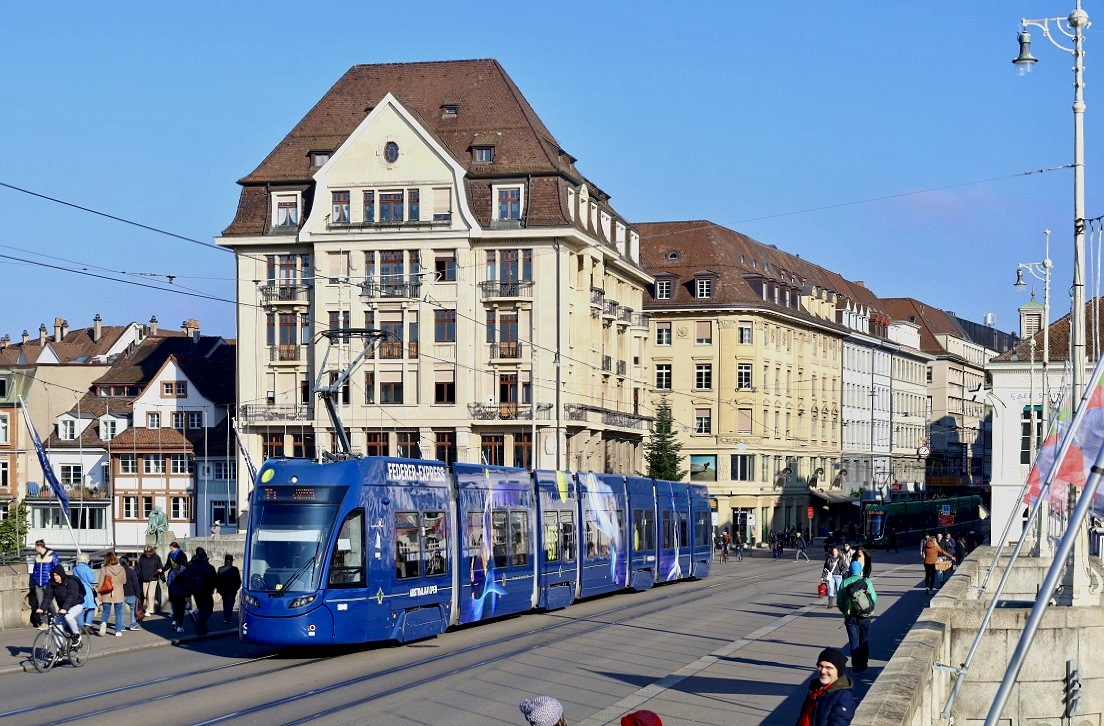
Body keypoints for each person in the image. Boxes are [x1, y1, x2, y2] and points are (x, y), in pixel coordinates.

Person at [795, 647, 855, 726]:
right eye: (820, 666)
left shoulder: (843, 697)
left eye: (828, 668)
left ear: (838, 671)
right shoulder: (816, 688)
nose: (823, 671)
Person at [837, 560, 876, 673]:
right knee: (864, 640)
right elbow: (874, 598)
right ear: (860, 571)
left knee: (854, 642)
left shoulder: (844, 583)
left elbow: (840, 601)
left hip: (850, 617)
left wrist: (846, 611)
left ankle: (856, 667)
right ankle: (864, 665)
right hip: (864, 617)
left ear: (850, 570)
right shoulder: (866, 581)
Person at [36, 566, 85, 647]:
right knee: (57, 629)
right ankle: (59, 652)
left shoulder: (71, 582)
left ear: (62, 575)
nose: (55, 577)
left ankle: (76, 635)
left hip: (76, 605)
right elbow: (48, 597)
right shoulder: (52, 583)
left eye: (57, 575)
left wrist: (65, 609)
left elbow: (71, 596)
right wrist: (42, 608)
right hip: (63, 608)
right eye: (54, 575)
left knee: (68, 617)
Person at [186, 547, 218, 636]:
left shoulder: (192, 567)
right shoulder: (209, 567)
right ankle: (200, 625)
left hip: (196, 592)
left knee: (201, 608)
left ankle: (202, 627)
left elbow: (187, 578)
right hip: (206, 592)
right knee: (208, 609)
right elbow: (214, 580)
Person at [97, 552, 127, 637]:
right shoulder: (121, 569)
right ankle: (118, 631)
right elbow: (124, 581)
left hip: (107, 593)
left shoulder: (104, 569)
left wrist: (99, 595)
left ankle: (103, 623)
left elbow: (100, 583)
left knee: (106, 611)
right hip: (118, 593)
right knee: (119, 613)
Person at [31, 540, 60, 629]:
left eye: (36, 547)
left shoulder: (52, 555)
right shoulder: (37, 557)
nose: (35, 549)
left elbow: (57, 568)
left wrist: (54, 580)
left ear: (39, 547)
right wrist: (35, 578)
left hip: (48, 582)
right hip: (38, 583)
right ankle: (45, 622)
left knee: (49, 603)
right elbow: (35, 569)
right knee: (41, 603)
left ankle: (56, 617)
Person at [166, 543, 190, 633]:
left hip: (174, 593)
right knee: (181, 610)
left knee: (176, 609)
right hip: (182, 593)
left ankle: (173, 621)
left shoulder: (172, 571)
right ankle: (180, 627)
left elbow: (168, 583)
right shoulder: (184, 570)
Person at [72, 553, 98, 635]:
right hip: (87, 590)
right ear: (85, 559)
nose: (89, 560)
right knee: (91, 607)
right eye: (88, 558)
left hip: (78, 590)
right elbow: (91, 580)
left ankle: (80, 626)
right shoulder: (87, 568)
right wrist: (93, 573)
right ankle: (87, 624)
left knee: (81, 609)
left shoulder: (75, 568)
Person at [137, 545, 164, 615]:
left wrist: (162, 576)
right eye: (146, 552)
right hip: (144, 579)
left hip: (153, 578)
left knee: (150, 594)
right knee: (145, 594)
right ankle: (146, 609)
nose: (147, 553)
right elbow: (139, 569)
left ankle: (150, 610)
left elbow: (160, 567)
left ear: (152, 551)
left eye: (149, 552)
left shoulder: (156, 558)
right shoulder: (142, 558)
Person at [217, 553, 242, 624]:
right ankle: (228, 619)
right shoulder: (234, 569)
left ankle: (226, 618)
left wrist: (220, 590)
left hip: (224, 590)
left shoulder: (220, 569)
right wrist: (236, 588)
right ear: (231, 561)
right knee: (230, 605)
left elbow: (218, 581)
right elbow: (238, 581)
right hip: (231, 590)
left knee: (225, 604)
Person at [121, 556, 142, 630]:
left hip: (121, 594)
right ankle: (133, 625)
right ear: (127, 562)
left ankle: (121, 626)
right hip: (131, 593)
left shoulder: (118, 572)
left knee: (121, 611)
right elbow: (135, 583)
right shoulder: (131, 571)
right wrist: (138, 594)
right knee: (133, 611)